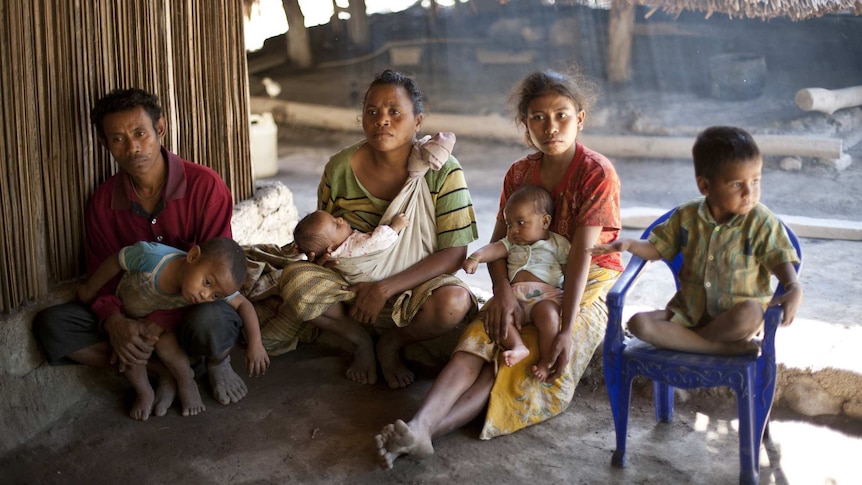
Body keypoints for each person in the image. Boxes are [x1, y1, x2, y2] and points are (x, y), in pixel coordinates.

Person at [374, 68, 624, 470]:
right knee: (481, 335)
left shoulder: (596, 173)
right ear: (525, 124)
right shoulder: (520, 174)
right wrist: (501, 292)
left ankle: (427, 433)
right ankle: (418, 421)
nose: (550, 126)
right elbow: (499, 242)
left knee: (518, 361)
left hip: (585, 278)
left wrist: (564, 329)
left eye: (561, 115)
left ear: (580, 118)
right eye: (538, 117)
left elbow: (580, 255)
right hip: (523, 276)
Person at [32, 88, 250, 420]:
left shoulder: (205, 186)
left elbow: (217, 273)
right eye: (117, 139)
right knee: (53, 325)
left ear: (159, 129)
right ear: (105, 145)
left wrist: (157, 325)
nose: (132, 147)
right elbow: (101, 279)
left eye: (140, 133)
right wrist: (116, 322)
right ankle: (162, 372)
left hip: (191, 307)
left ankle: (217, 361)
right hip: (135, 310)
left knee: (212, 319)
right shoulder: (103, 202)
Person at [266, 70, 479, 388]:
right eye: (372, 111)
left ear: (418, 121)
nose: (382, 120)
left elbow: (455, 253)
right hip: (351, 285)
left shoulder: (440, 170)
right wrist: (323, 260)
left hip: (414, 286)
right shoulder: (339, 169)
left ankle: (392, 342)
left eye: (395, 112)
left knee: (453, 303)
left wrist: (384, 288)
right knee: (295, 281)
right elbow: (321, 232)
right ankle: (359, 341)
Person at [588, 126, 802, 355]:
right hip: (689, 313)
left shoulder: (761, 221)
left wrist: (793, 286)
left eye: (756, 180)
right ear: (705, 186)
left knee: (750, 312)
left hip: (734, 318)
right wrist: (629, 245)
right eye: (737, 184)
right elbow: (657, 248)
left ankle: (688, 343)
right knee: (638, 323)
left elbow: (779, 257)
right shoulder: (687, 216)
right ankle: (717, 349)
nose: (749, 192)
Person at [77, 237, 269, 419]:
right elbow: (117, 260)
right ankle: (145, 392)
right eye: (207, 283)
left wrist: (256, 343)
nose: (205, 295)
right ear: (193, 256)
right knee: (130, 350)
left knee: (167, 344)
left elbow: (244, 304)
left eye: (216, 296)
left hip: (159, 323)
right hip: (126, 314)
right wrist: (91, 288)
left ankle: (186, 380)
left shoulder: (210, 281)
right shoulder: (150, 257)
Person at [462, 185, 570, 380]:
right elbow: (493, 249)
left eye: (520, 222)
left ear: (545, 221)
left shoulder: (557, 244)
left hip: (545, 297)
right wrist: (476, 257)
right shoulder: (510, 243)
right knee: (501, 319)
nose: (514, 230)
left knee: (549, 318)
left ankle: (546, 362)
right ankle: (518, 347)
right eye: (510, 224)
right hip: (515, 298)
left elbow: (569, 270)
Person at [293, 210, 410, 273]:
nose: (340, 219)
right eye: (336, 225)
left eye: (334, 218)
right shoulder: (352, 246)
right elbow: (377, 241)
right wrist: (396, 226)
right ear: (332, 248)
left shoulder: (333, 251)